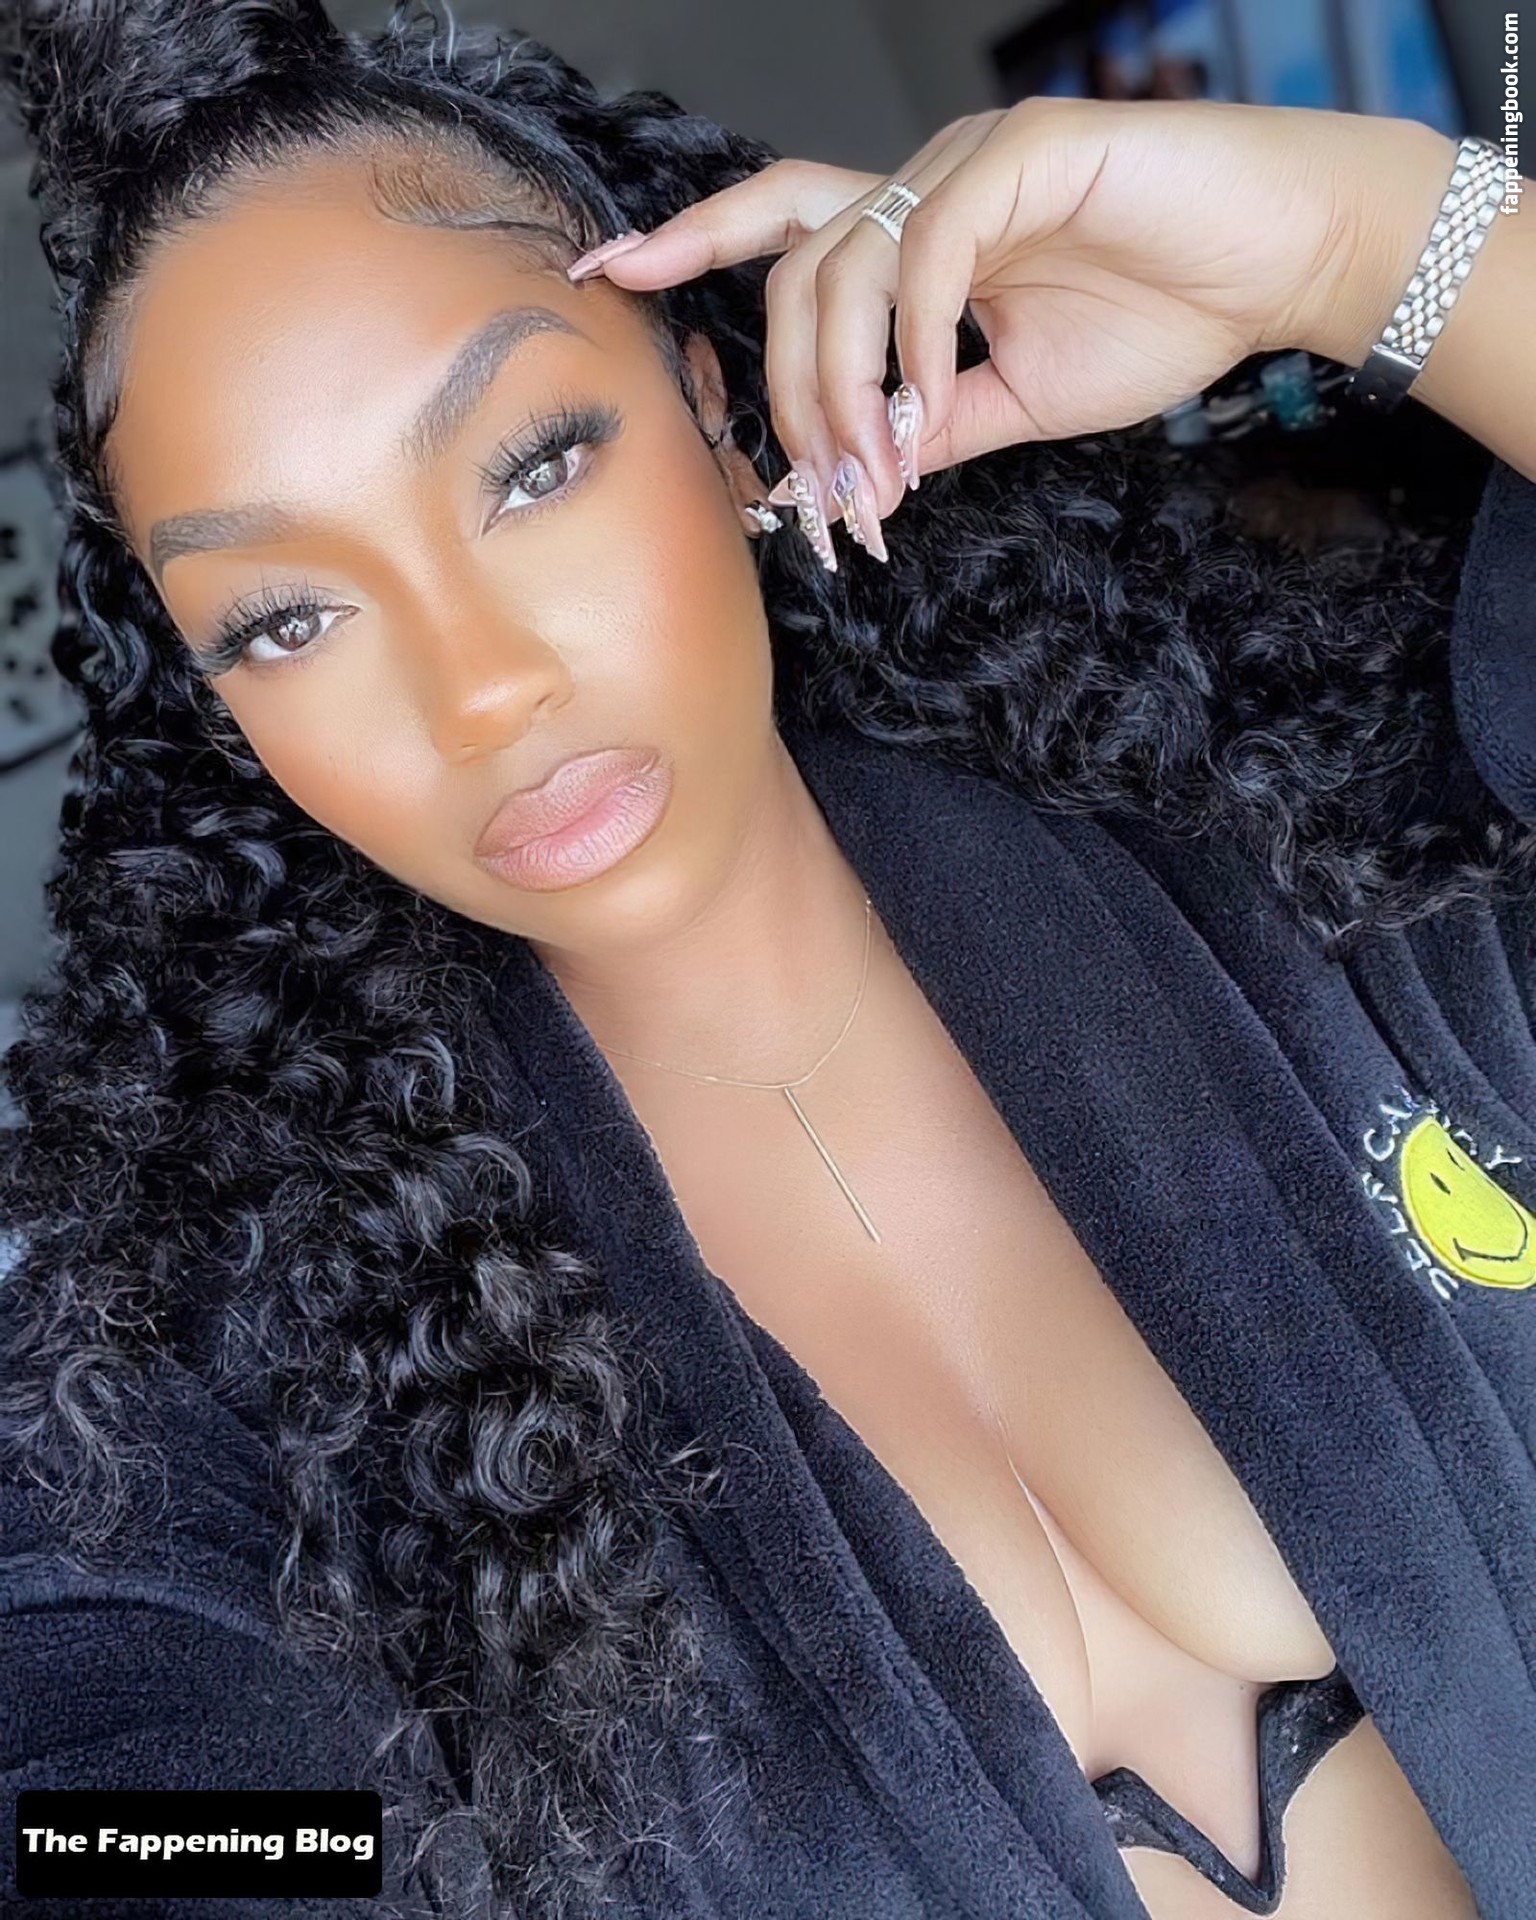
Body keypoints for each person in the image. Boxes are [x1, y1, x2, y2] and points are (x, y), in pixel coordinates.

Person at [1, 2, 1534, 1917]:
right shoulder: (238, 1393)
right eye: (287, 619)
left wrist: (1359, 241)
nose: (481, 687)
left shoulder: (1308, 829)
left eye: (533, 464)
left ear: (719, 411)